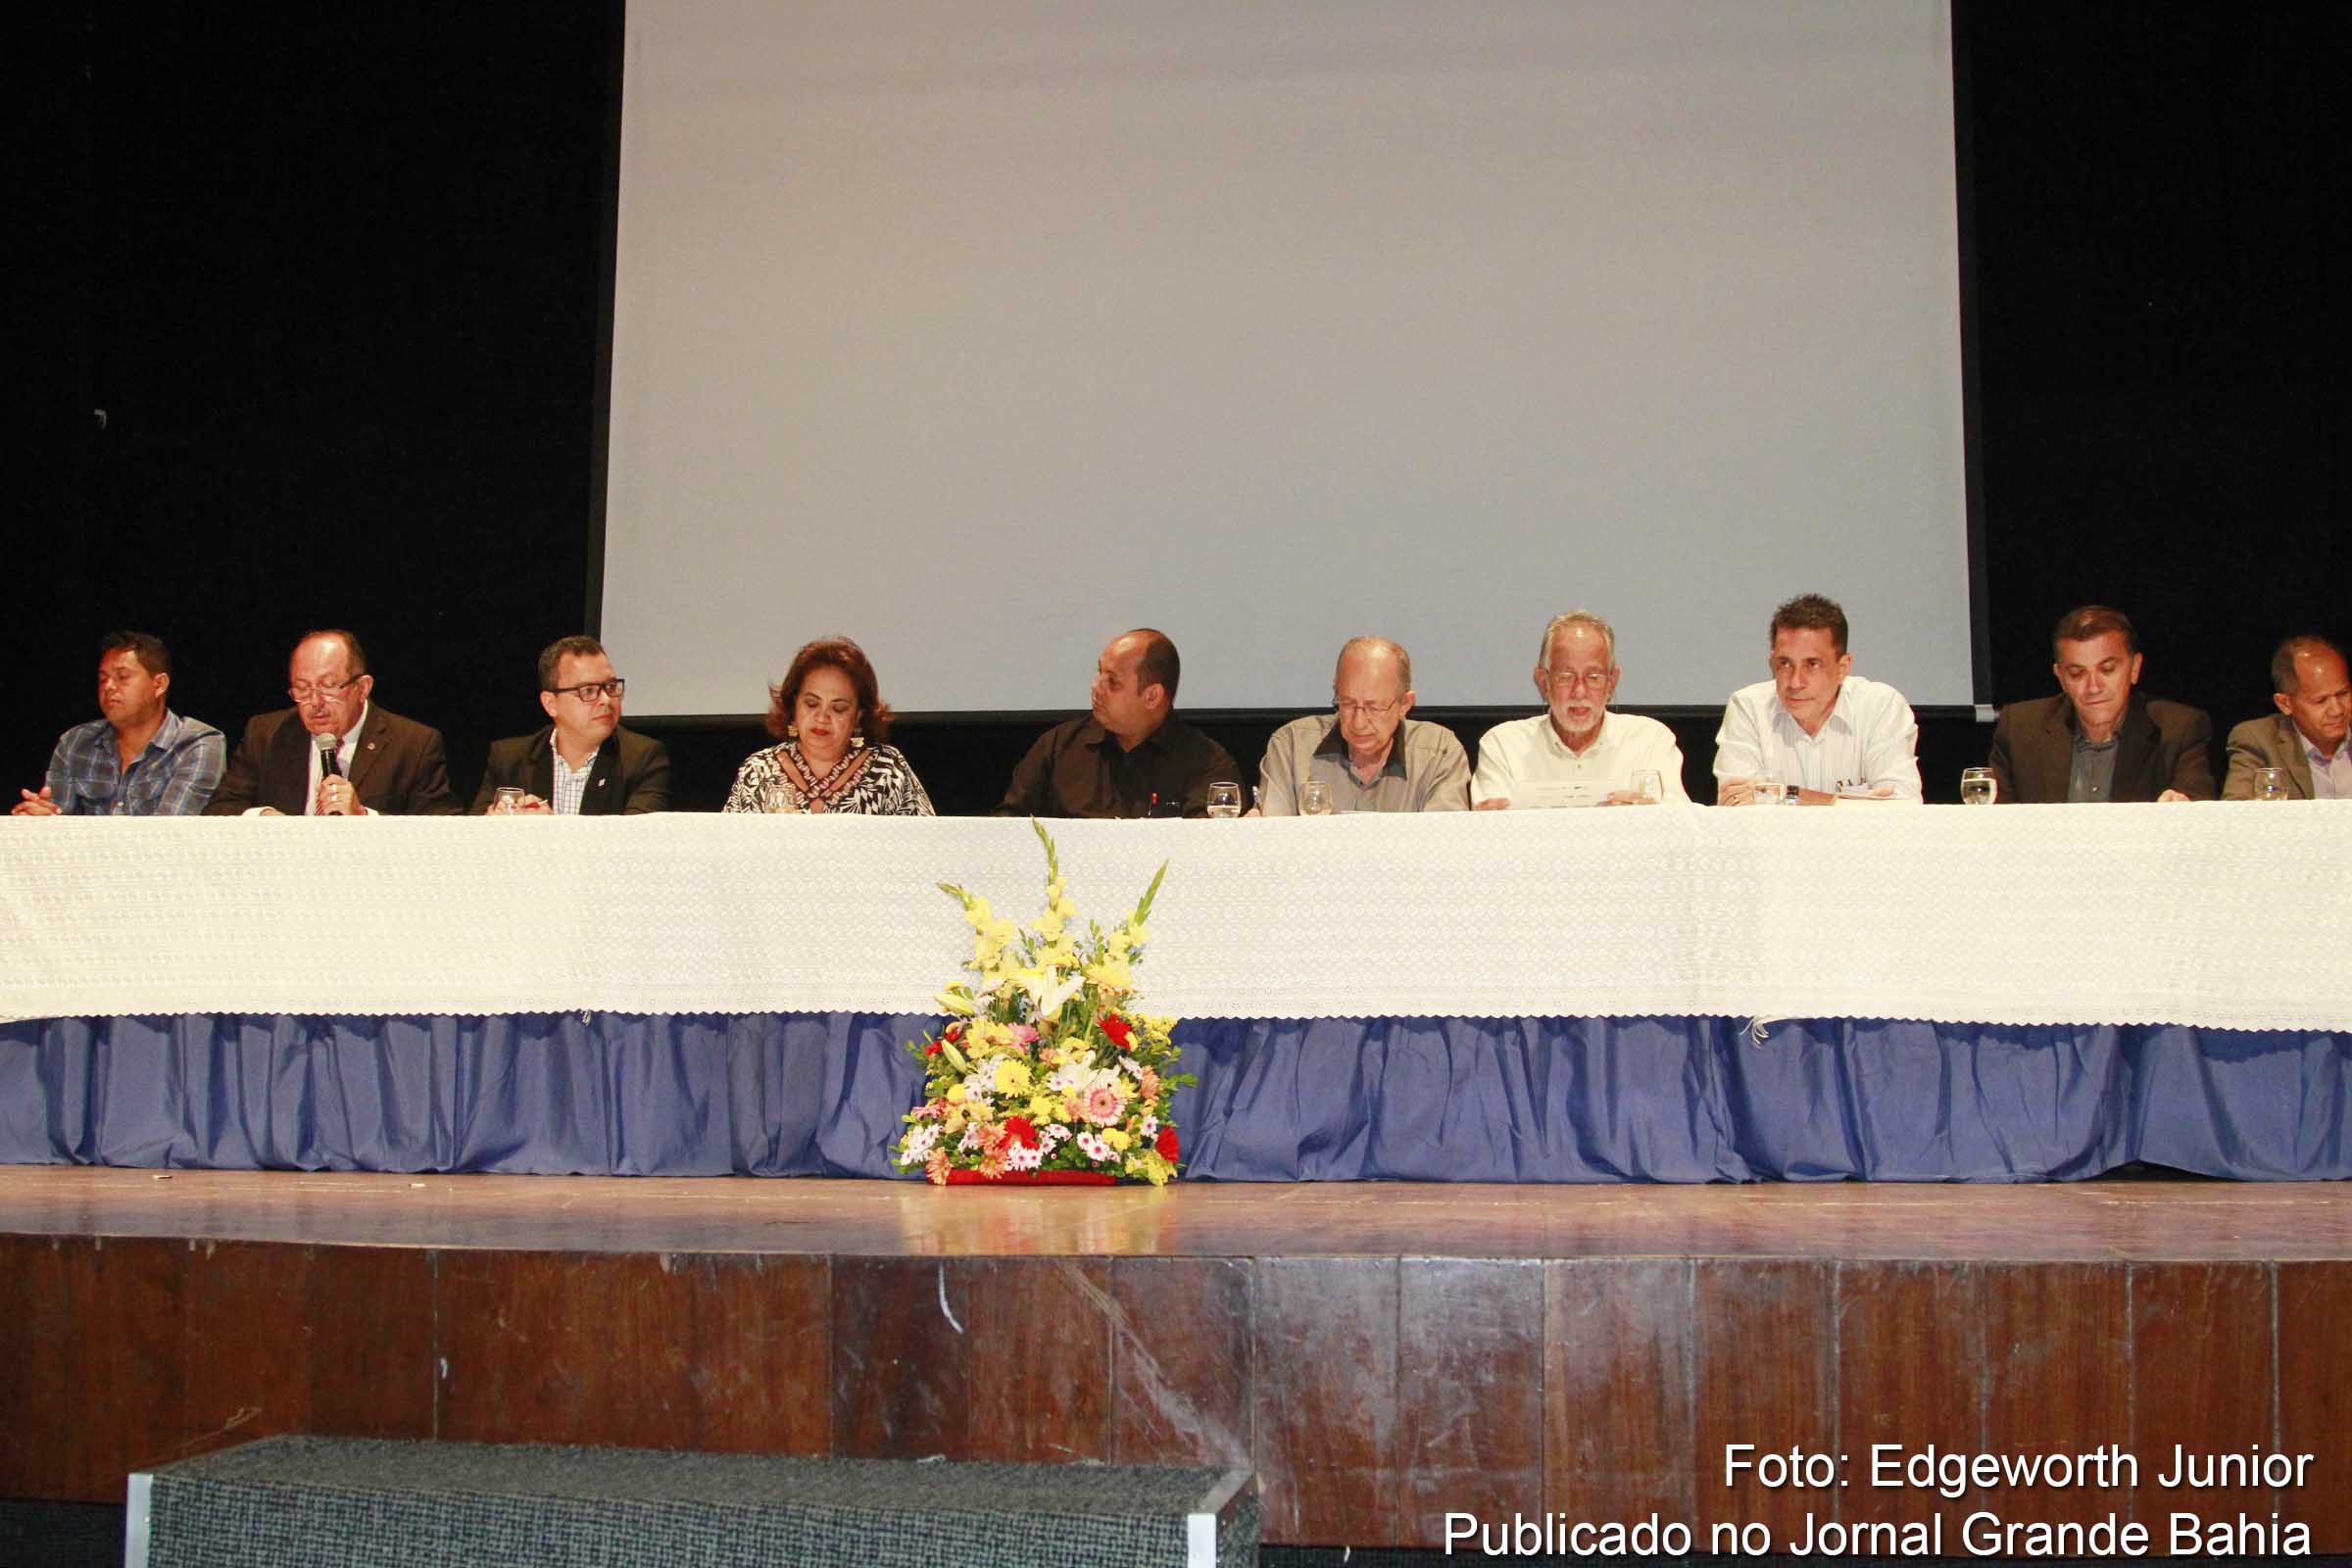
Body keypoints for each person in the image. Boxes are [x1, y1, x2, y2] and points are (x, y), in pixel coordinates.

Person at [204, 629, 462, 816]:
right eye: (302, 689)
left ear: (362, 688)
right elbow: (220, 808)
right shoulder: (266, 733)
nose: (315, 702)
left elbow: (441, 827)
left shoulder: (413, 744)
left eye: (328, 687)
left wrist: (363, 817)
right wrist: (264, 820)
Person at [998, 629, 1238, 818]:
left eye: (1112, 681)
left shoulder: (1207, 764)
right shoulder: (1058, 748)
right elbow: (1009, 825)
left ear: (1152, 696)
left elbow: (1208, 849)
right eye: (1099, 673)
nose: (1096, 687)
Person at [1984, 606, 2212, 803]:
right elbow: (1995, 827)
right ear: (2061, 677)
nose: (2093, 687)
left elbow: (2199, 815)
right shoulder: (2020, 730)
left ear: (2134, 668)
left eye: (2107, 669)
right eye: (2077, 673)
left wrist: (2184, 809)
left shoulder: (2179, 730)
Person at [1713, 593, 1921, 805]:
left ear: (1843, 668)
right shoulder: (1749, 707)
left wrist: (1786, 795)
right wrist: (1849, 804)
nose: (1795, 682)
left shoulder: (1880, 707)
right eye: (1784, 663)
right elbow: (1736, 804)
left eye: (1812, 664)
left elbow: (1902, 808)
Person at [1472, 612, 1688, 808]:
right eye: (1565, 677)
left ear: (1611, 683)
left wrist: (1638, 819)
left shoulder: (1650, 741)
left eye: (1594, 677)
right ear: (1543, 681)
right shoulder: (1504, 745)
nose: (1579, 692)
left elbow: (1678, 825)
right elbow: (1488, 832)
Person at [14, 631, 225, 816]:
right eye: (102, 679)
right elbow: (58, 832)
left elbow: (167, 836)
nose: (109, 687)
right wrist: (40, 820)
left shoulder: (197, 744)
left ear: (159, 684)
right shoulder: (75, 742)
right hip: (84, 862)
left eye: (122, 677)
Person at [1257, 637, 1469, 814]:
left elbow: (1442, 845)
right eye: (1347, 703)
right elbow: (1273, 839)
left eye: (1374, 707)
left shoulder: (1439, 752)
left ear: (1405, 704)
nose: (1358, 723)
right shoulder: (1292, 745)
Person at [723, 636, 933, 814]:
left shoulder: (887, 769)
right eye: (812, 703)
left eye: (838, 708)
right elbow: (726, 851)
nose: (822, 717)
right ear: (794, 704)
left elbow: (927, 847)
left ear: (858, 715)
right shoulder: (759, 772)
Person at [471, 636, 671, 814]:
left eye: (610, 687)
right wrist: (492, 825)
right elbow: (473, 839)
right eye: (588, 690)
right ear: (550, 703)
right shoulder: (510, 759)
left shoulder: (642, 758)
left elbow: (636, 842)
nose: (606, 700)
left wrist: (552, 831)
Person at [2222, 634, 2351, 800]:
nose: (2337, 710)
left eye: (2343, 694)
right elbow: (2238, 813)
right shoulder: (2258, 741)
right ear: (2285, 703)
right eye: (2320, 701)